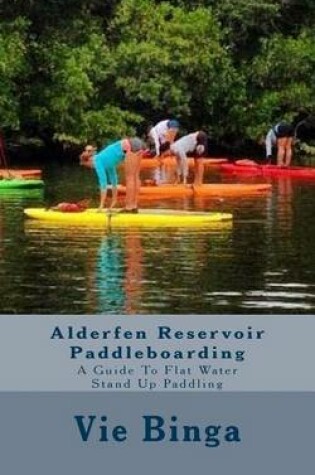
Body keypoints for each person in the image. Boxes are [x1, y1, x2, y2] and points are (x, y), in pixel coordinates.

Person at [80, 137, 146, 213]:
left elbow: (103, 184)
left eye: (88, 165)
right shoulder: (106, 161)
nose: (91, 167)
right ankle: (134, 206)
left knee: (130, 178)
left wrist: (101, 206)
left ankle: (129, 207)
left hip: (129, 146)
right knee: (135, 176)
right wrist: (114, 201)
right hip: (137, 144)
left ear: (89, 160)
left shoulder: (97, 161)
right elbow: (114, 182)